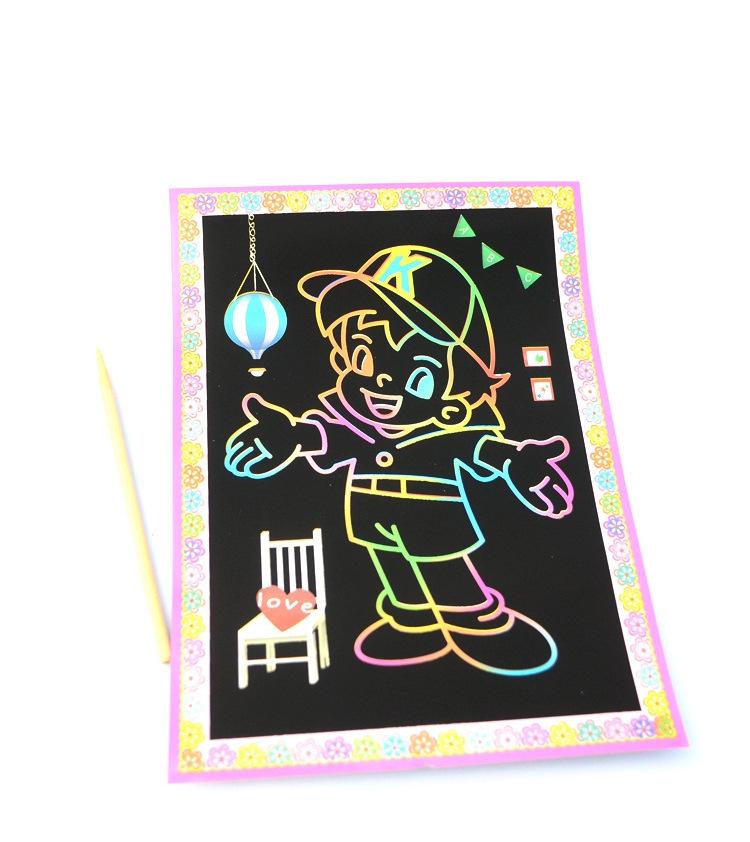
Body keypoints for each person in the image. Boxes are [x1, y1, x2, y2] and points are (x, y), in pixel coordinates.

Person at [225, 245, 574, 675]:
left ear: (460, 379)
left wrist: (514, 461)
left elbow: (478, 448)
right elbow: (331, 437)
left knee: (446, 572)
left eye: (417, 372)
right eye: (363, 357)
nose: (382, 379)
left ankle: (480, 625)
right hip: (370, 507)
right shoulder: (359, 425)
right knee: (394, 568)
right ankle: (412, 621)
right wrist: (294, 436)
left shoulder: (447, 429)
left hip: (432, 511)